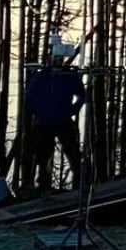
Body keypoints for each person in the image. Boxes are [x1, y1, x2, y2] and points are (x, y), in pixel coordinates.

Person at [25, 42, 86, 195]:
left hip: (63, 120)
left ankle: (79, 186)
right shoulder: (41, 76)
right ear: (50, 58)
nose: (57, 61)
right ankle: (44, 188)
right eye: (55, 58)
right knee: (44, 157)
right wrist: (38, 112)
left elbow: (82, 95)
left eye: (60, 58)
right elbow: (29, 98)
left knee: (73, 154)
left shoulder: (69, 76)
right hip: (44, 123)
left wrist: (72, 110)